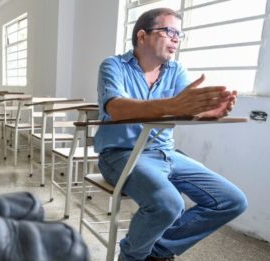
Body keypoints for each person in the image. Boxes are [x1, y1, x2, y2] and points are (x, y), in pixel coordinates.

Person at [94, 7, 248, 261]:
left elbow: (186, 109)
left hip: (166, 154)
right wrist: (173, 105)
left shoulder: (175, 70)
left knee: (232, 200)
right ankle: (132, 257)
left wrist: (209, 112)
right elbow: (116, 107)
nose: (176, 38)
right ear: (142, 36)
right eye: (169, 31)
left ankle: (157, 250)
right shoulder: (113, 65)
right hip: (121, 155)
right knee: (169, 205)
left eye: (180, 33)